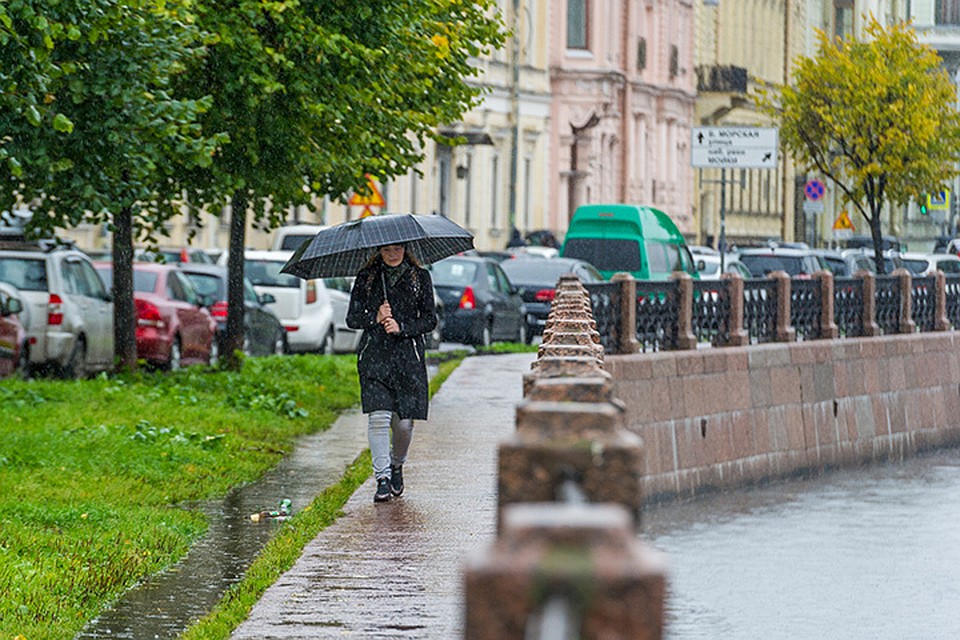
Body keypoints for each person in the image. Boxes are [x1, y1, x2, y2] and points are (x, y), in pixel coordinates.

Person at [346, 243, 438, 503]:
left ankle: (397, 465)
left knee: (404, 425)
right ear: (379, 251)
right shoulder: (368, 278)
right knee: (378, 417)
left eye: (398, 249)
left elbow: (430, 320)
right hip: (375, 357)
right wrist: (374, 316)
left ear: (406, 249)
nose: (393, 254)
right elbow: (352, 318)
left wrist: (403, 326)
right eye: (387, 250)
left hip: (408, 359)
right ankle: (382, 478)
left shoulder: (420, 278)